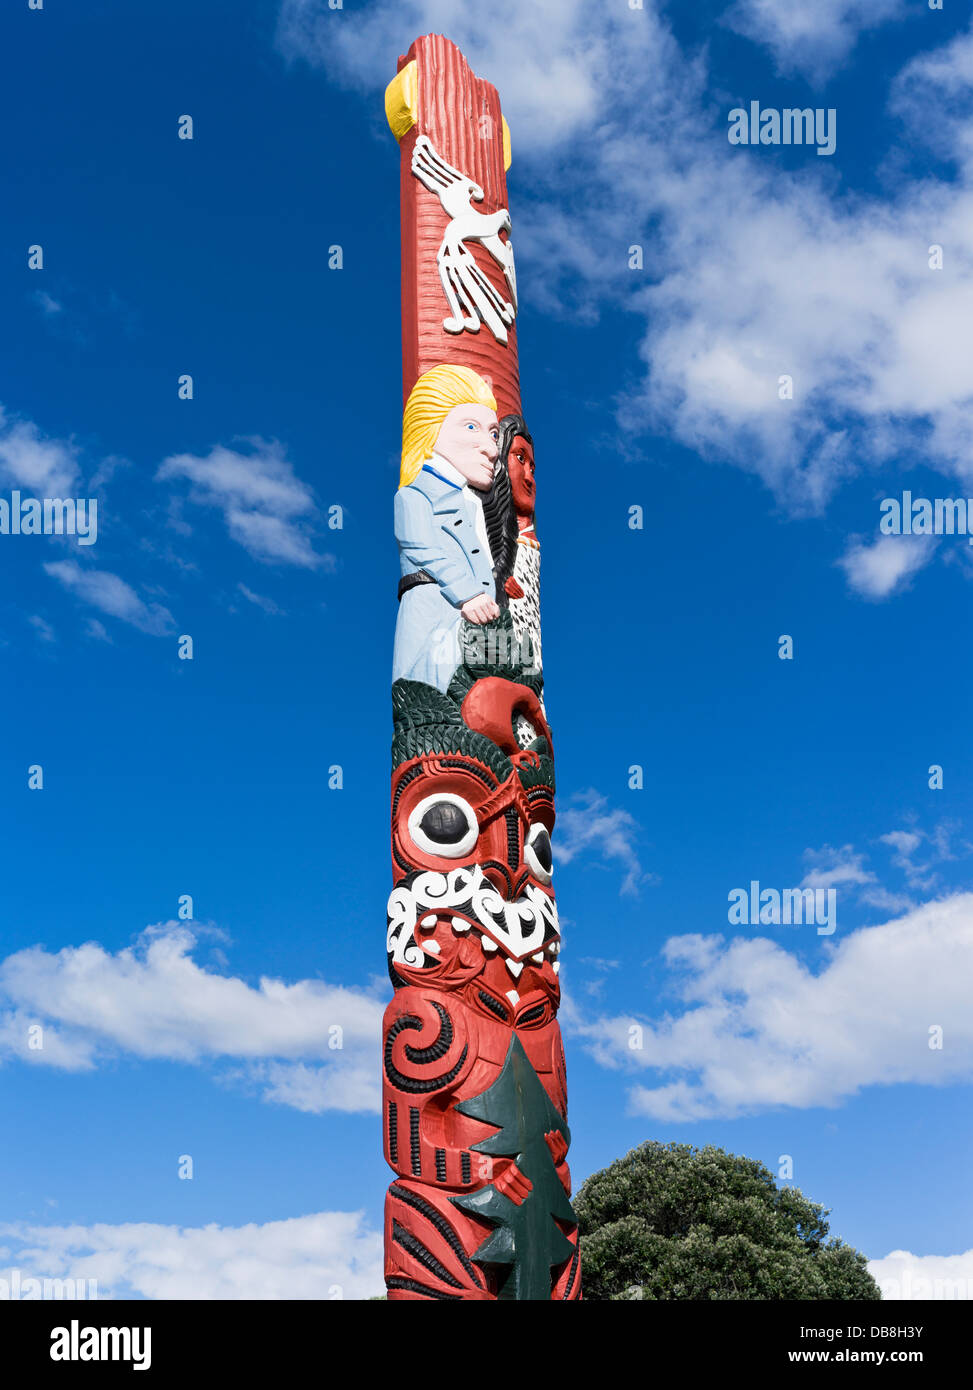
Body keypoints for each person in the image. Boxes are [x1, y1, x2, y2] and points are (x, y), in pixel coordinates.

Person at [393, 365, 502, 692]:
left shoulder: (472, 503)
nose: (491, 448)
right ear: (431, 428)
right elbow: (419, 546)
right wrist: (467, 593)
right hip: (436, 621)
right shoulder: (413, 495)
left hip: (480, 637)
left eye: (494, 433)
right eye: (471, 427)